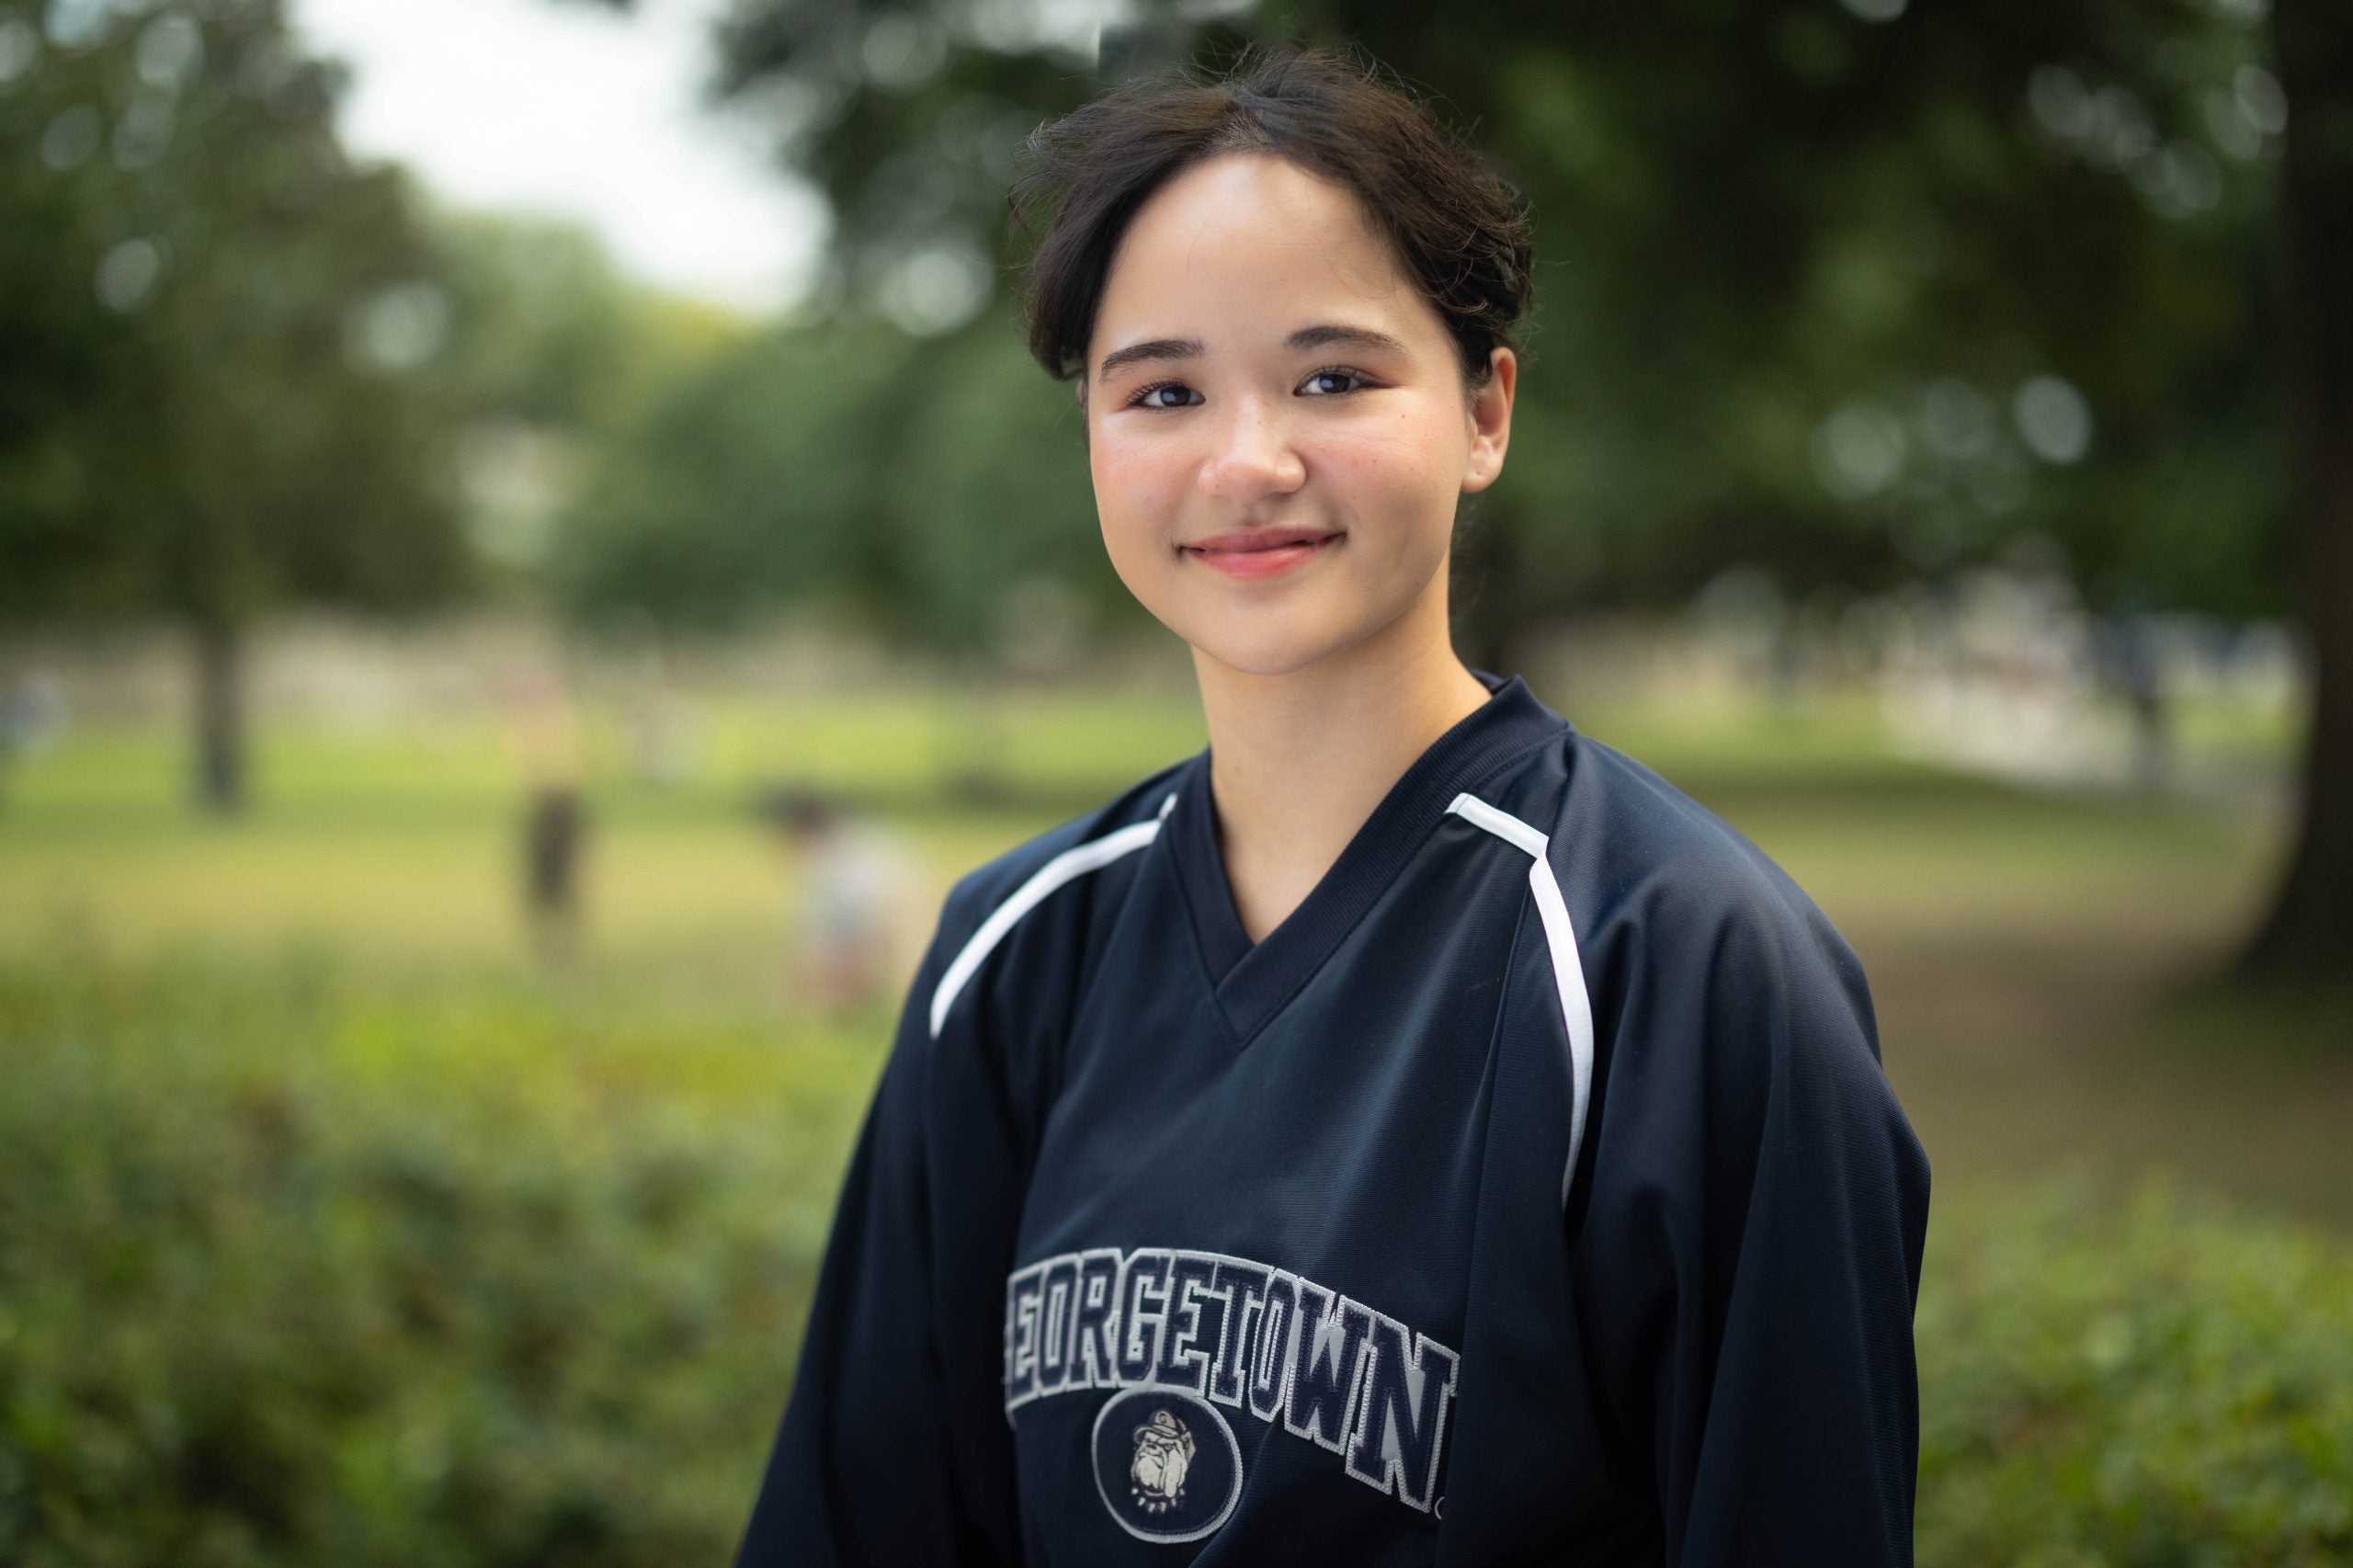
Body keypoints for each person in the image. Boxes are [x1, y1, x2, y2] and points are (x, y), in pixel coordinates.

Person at [738, 45, 1929, 1567]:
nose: (1249, 459)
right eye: (1163, 389)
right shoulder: (1013, 957)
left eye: (1335, 376)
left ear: (1487, 411)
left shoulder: (1682, 968)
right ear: (1093, 437)